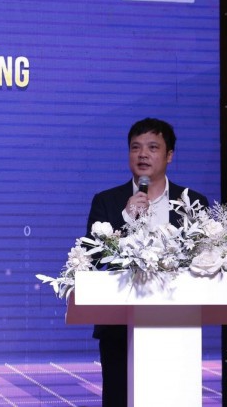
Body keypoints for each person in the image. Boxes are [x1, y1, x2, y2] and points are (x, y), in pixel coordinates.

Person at [85, 117, 209, 407]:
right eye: (135, 147)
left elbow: (206, 256)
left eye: (153, 147)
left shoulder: (192, 202)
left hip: (178, 326)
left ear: (169, 155)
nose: (143, 154)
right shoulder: (106, 201)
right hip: (119, 329)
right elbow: (92, 258)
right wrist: (125, 218)